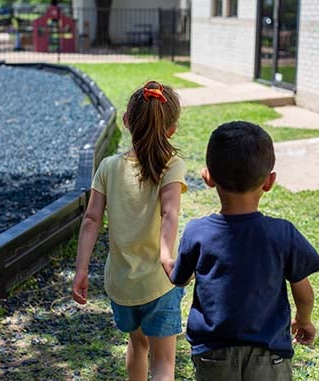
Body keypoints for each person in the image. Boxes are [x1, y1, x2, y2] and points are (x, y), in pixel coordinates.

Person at [170, 121, 319, 381]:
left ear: (207, 177)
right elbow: (303, 291)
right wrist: (304, 319)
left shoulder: (197, 232)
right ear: (269, 181)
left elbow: (180, 278)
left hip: (213, 353)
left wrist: (165, 259)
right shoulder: (282, 233)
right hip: (269, 354)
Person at [72, 81, 187, 381]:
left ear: (125, 121)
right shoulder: (171, 166)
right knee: (164, 363)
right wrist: (165, 256)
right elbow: (170, 212)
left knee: (137, 343)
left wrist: (81, 270)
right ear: (172, 129)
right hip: (159, 283)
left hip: (122, 286)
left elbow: (90, 220)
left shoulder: (108, 167)